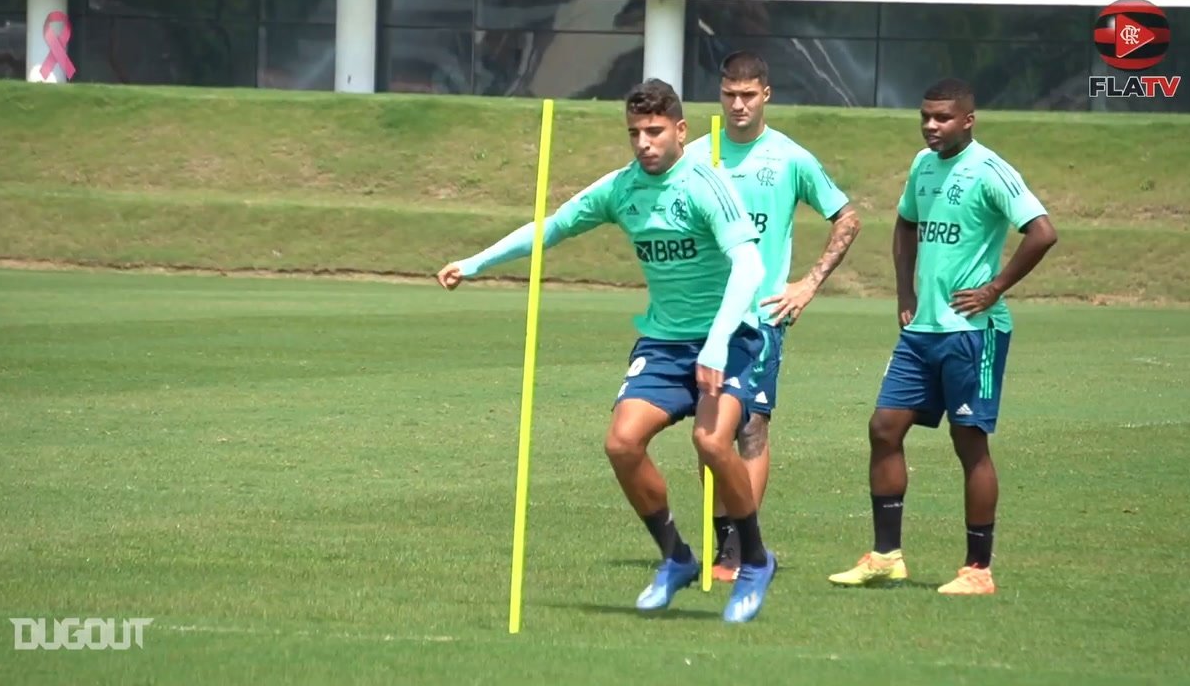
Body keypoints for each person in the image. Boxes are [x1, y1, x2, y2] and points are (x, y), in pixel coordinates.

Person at [436, 79, 778, 622]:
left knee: (712, 444)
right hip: (665, 342)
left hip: (729, 337)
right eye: (635, 132)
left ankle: (755, 561)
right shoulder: (621, 189)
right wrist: (475, 263)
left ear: (681, 131)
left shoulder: (704, 185)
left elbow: (750, 266)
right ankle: (677, 558)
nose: (644, 142)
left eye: (655, 131)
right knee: (621, 444)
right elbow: (552, 228)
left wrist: (716, 343)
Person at [828, 77, 1058, 595]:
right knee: (884, 429)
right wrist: (904, 293)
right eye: (926, 117)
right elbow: (906, 224)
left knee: (968, 442)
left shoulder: (989, 170)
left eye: (943, 118)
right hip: (922, 329)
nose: (932, 126)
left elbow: (1042, 231)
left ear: (968, 121)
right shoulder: (922, 165)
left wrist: (995, 288)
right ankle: (886, 557)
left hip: (972, 332)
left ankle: (978, 571)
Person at [684, 51, 861, 582]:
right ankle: (724, 546)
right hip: (705, 319)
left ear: (767, 95)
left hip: (761, 320)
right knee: (708, 431)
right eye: (728, 95)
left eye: (747, 95)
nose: (737, 105)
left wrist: (806, 285)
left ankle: (741, 548)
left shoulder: (789, 159)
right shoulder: (696, 156)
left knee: (752, 428)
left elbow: (847, 218)